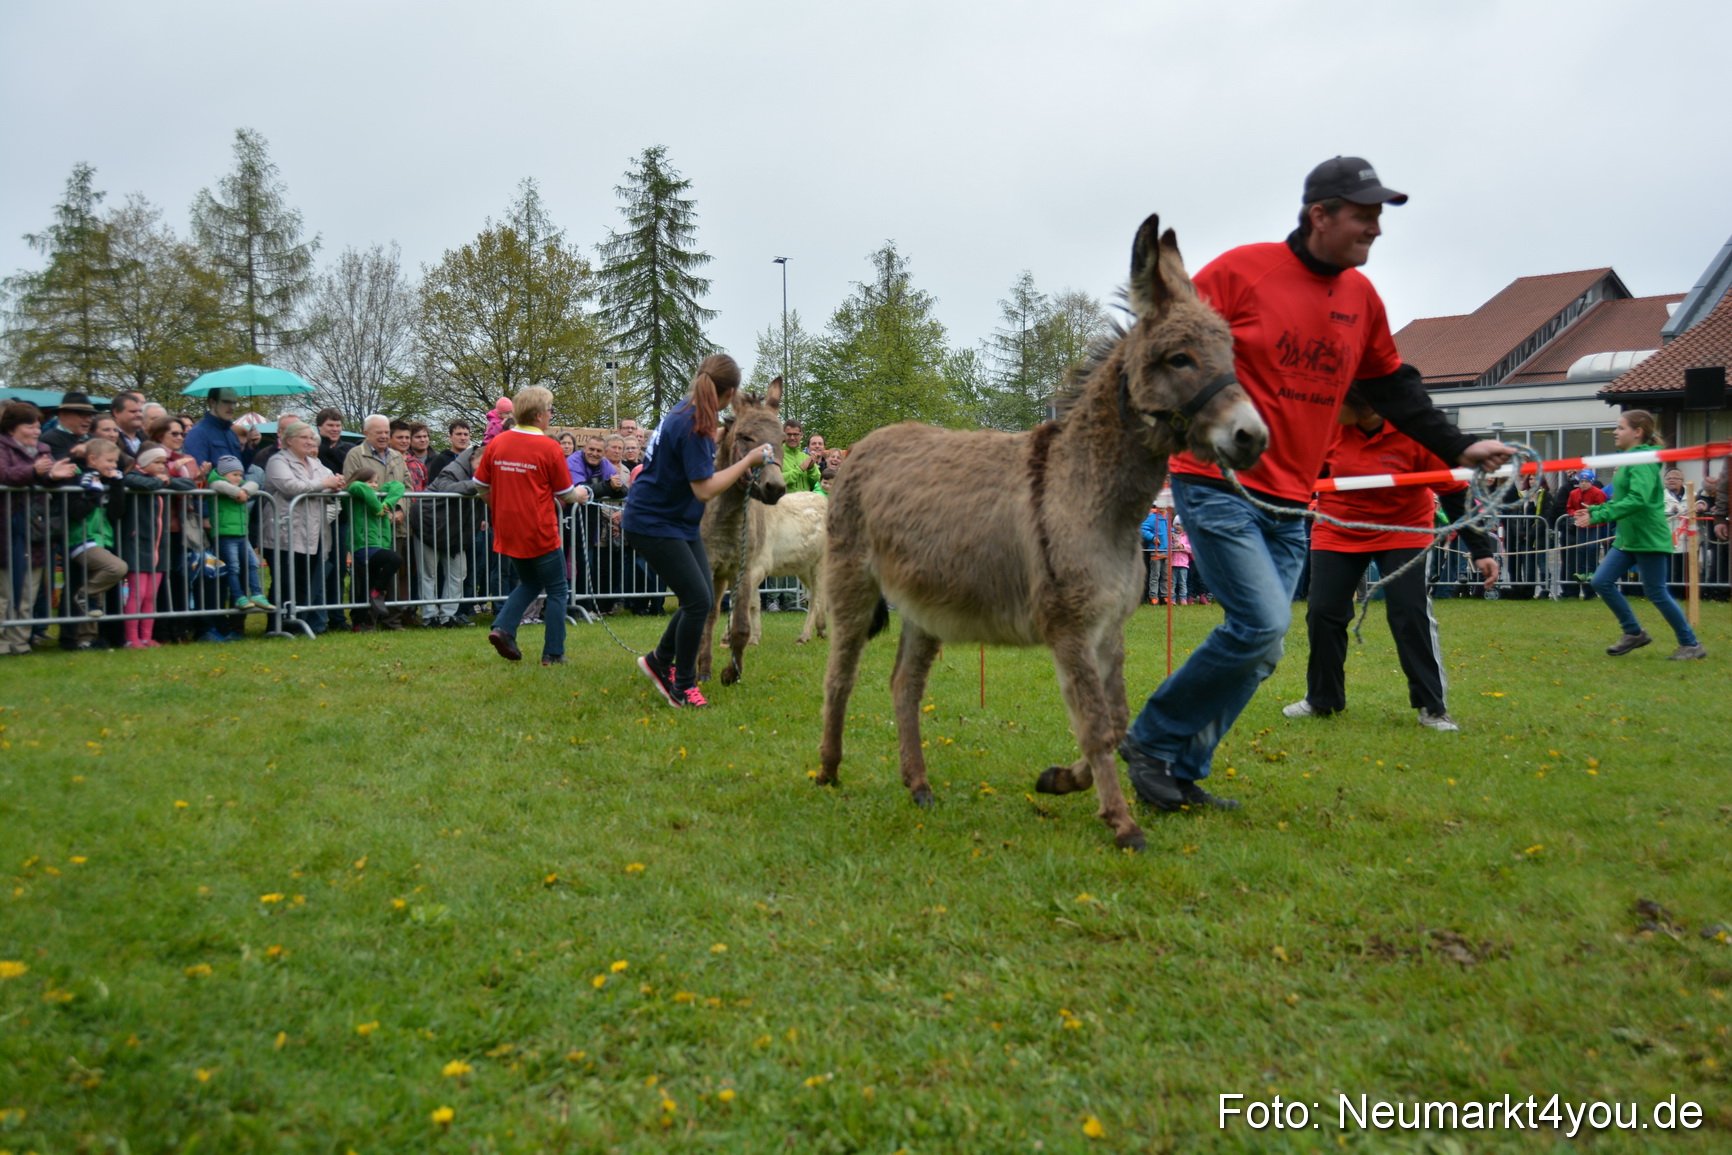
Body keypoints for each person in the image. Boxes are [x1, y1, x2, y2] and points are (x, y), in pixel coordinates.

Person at [1114, 157, 1513, 813]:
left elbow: (1394, 386)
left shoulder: (1362, 300)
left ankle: (1179, 768)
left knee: (1264, 647)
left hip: (1294, 500)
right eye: (1363, 215)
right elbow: (1161, 340)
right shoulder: (1244, 272)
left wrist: (1459, 445)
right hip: (1218, 482)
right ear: (1318, 214)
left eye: (1380, 216)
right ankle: (1152, 742)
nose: (1376, 229)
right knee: (1264, 624)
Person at [1281, 389, 1498, 731]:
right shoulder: (1329, 431)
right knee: (1322, 611)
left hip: (1403, 529)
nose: (1331, 409)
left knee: (1409, 612)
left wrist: (1481, 549)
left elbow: (1456, 495)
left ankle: (1432, 707)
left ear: (1366, 406)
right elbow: (1297, 478)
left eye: (1340, 404)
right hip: (1339, 528)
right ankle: (1322, 699)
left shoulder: (1415, 434)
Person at [623, 353, 776, 707]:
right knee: (696, 602)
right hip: (654, 523)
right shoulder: (694, 425)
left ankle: (659, 660)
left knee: (702, 596)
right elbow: (704, 489)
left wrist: (727, 437)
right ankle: (683, 685)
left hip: (678, 520)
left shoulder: (687, 409)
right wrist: (749, 462)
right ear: (730, 394)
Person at [473, 385, 589, 665]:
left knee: (530, 582)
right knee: (559, 589)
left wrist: (499, 507)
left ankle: (503, 628)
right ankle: (553, 652)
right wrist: (582, 495)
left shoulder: (497, 443)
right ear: (538, 415)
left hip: (508, 529)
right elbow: (566, 494)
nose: (551, 415)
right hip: (539, 529)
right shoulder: (548, 446)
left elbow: (480, 486)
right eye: (550, 410)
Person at [1576, 410, 1704, 660]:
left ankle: (1690, 644)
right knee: (1600, 581)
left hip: (1648, 537)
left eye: (1621, 427)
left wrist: (1599, 516)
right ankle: (1634, 633)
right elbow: (1623, 499)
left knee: (1656, 592)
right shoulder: (1627, 459)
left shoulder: (1641, 460)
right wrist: (1597, 509)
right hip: (1628, 537)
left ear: (1638, 432)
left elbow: (1638, 500)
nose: (1615, 432)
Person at [2, 402, 81, 654]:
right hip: (6, 528)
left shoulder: (43, 449)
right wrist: (33, 471)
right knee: (4, 591)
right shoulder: (2, 447)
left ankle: (20, 642)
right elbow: (5, 474)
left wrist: (54, 476)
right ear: (12, 428)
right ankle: (2, 642)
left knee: (28, 590)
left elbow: (45, 478)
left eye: (38, 425)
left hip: (34, 528)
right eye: (30, 426)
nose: (36, 431)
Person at [263, 421, 344, 634]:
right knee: (284, 581)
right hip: (284, 531)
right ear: (289, 440)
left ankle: (298, 622)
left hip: (313, 532)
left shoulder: (315, 463)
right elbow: (292, 488)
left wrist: (334, 486)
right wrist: (326, 484)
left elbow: (325, 484)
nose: (310, 442)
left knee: (305, 581)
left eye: (312, 438)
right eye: (305, 438)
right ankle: (277, 625)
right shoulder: (277, 461)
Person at [115, 446, 196, 647]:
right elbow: (131, 480)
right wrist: (160, 481)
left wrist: (166, 480)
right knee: (137, 594)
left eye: (163, 463)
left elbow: (188, 484)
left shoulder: (163, 480)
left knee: (151, 595)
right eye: (157, 462)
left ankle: (146, 636)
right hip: (137, 544)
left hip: (159, 548)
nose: (162, 467)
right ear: (143, 463)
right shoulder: (135, 478)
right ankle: (132, 638)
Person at [64, 438, 129, 650]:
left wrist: (117, 485)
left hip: (103, 539)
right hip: (82, 540)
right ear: (92, 459)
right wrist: (94, 492)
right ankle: (84, 594)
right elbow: (75, 511)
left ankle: (87, 639)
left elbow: (117, 513)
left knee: (97, 598)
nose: (113, 465)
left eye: (115, 461)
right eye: (109, 460)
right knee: (117, 568)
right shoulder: (81, 478)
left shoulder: (109, 481)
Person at [344, 462, 407, 631]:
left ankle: (360, 623)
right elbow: (355, 485)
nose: (373, 486)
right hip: (363, 545)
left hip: (379, 544)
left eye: (375, 482)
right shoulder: (356, 493)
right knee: (394, 559)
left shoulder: (378, 496)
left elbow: (398, 485)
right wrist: (377, 507)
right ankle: (378, 591)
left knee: (366, 584)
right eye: (370, 482)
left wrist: (386, 504)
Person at [208, 454, 273, 611]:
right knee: (233, 567)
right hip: (225, 535)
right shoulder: (216, 483)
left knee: (252, 563)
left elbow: (254, 485)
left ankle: (257, 593)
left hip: (242, 534)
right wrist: (238, 493)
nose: (238, 478)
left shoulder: (241, 486)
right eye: (234, 475)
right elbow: (219, 485)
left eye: (240, 475)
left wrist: (242, 491)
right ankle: (238, 596)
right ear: (223, 474)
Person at [1140, 504, 1170, 604]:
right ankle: (1153, 596)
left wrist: (1173, 535)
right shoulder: (1152, 517)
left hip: (1167, 551)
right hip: (1156, 550)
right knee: (1155, 575)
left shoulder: (1168, 516)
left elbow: (1170, 530)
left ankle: (1164, 596)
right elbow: (1143, 529)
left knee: (1165, 575)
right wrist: (1152, 538)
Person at [1170, 517, 1193, 604]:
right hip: (1173, 563)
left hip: (1183, 564)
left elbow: (1190, 547)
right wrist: (1173, 546)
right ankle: (1172, 599)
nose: (1178, 527)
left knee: (1182, 582)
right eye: (1176, 524)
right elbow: (1168, 545)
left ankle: (1183, 598)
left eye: (1181, 525)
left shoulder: (1187, 536)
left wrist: (1182, 547)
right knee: (1172, 583)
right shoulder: (1171, 536)